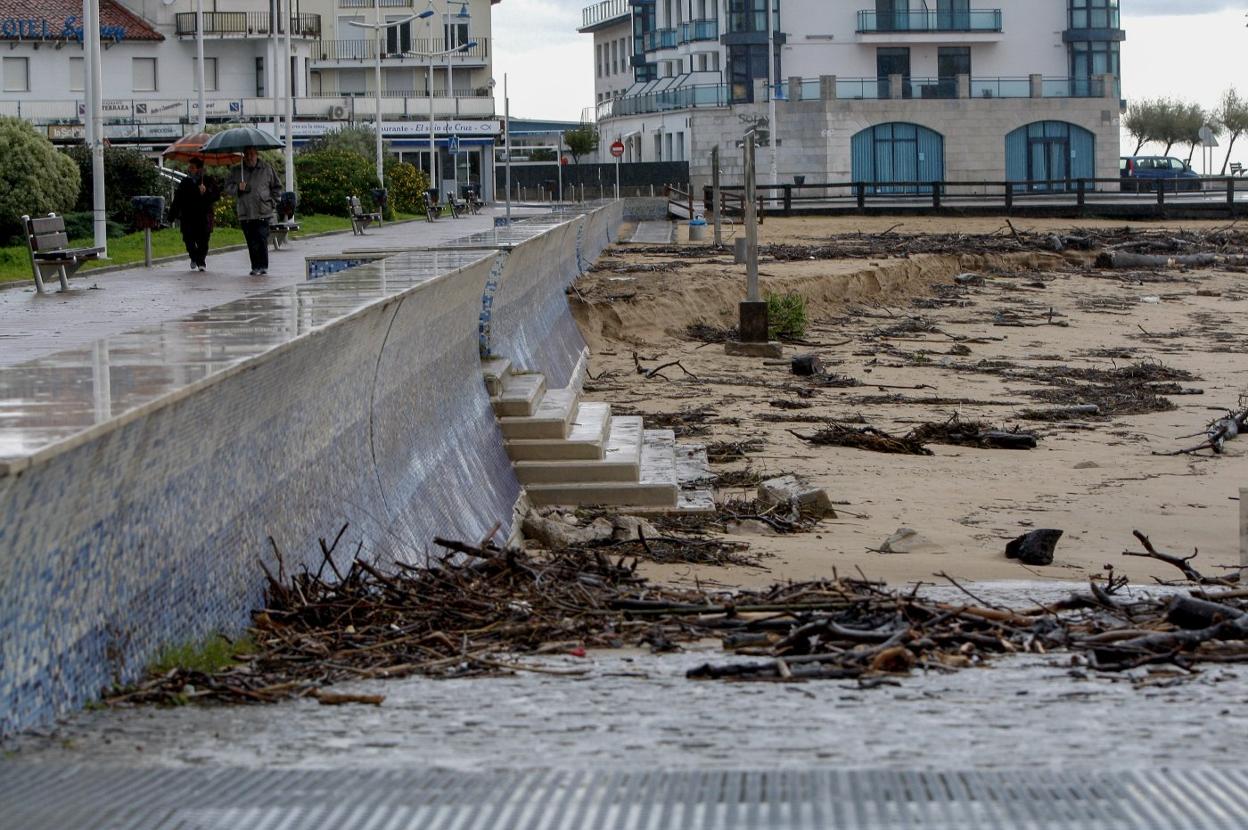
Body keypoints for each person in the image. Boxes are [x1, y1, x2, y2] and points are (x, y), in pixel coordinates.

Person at [226, 146, 283, 276]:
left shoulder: (267, 169)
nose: (249, 156)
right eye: (247, 154)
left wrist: (272, 202)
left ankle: (263, 266)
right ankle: (255, 266)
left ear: (257, 154)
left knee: (261, 239)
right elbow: (228, 188)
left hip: (263, 211)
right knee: (251, 241)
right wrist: (238, 188)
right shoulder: (236, 171)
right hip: (245, 212)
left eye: (252, 154)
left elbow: (277, 187)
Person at [168, 157, 219, 272]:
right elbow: (178, 199)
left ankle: (201, 261)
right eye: (189, 167)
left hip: (203, 216)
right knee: (188, 239)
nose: (190, 169)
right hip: (188, 217)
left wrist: (206, 192)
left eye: (192, 167)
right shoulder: (185, 182)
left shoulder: (208, 181)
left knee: (203, 240)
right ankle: (194, 257)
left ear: (199, 169)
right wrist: (171, 215)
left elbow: (216, 196)